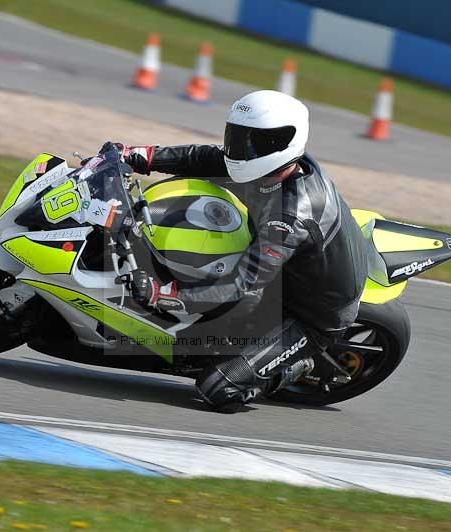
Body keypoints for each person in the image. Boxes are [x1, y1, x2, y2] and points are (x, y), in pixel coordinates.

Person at [123, 90, 368, 412]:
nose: (241, 150)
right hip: (283, 274)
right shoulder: (274, 166)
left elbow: (242, 284)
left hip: (310, 314)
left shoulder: (291, 216)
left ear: (283, 143)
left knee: (217, 388)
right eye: (238, 137)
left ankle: (297, 366)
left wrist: (163, 295)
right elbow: (206, 158)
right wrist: (139, 156)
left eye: (254, 142)